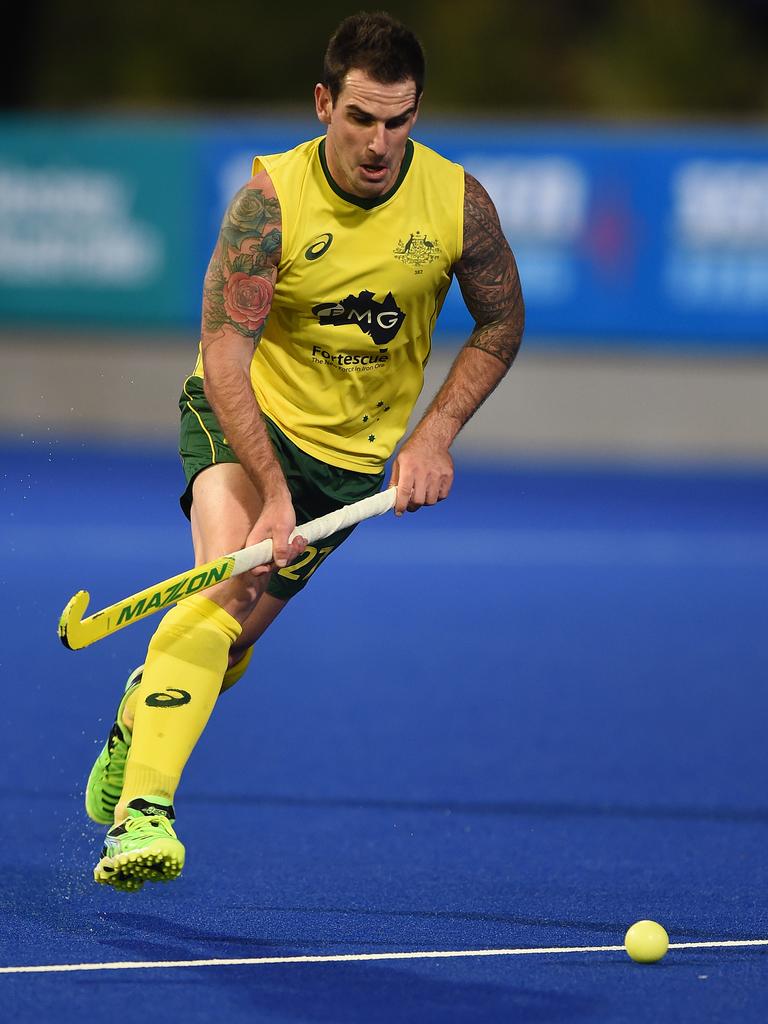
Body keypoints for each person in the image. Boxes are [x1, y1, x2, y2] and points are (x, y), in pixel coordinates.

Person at [85, 11, 525, 892]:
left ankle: (143, 710)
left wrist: (434, 433)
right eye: (361, 117)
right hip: (247, 417)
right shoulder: (269, 204)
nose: (378, 142)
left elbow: (501, 321)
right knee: (226, 585)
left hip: (350, 466)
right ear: (324, 101)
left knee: (234, 640)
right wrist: (275, 496)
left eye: (398, 122)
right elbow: (223, 358)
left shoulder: (456, 203)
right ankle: (143, 818)